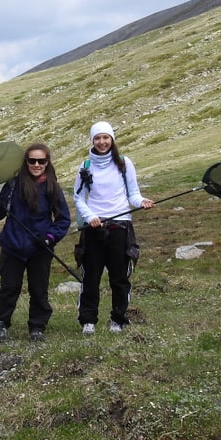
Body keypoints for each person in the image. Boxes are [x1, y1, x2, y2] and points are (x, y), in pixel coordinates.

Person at [72, 122, 154, 335]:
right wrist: (90, 217)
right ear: (92, 140)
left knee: (119, 277)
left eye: (105, 137)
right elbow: (78, 198)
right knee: (91, 276)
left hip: (120, 226)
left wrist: (142, 202)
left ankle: (118, 319)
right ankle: (88, 321)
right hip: (94, 228)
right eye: (97, 138)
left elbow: (133, 194)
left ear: (112, 139)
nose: (102, 142)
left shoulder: (124, 163)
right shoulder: (85, 166)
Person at [0, 143, 71, 344]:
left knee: (39, 288)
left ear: (47, 163)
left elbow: (63, 219)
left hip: (40, 248)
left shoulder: (52, 187)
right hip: (12, 246)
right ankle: (0, 324)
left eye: (41, 161)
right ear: (25, 162)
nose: (36, 164)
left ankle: (37, 326)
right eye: (32, 160)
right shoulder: (13, 184)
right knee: (9, 287)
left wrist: (49, 238)